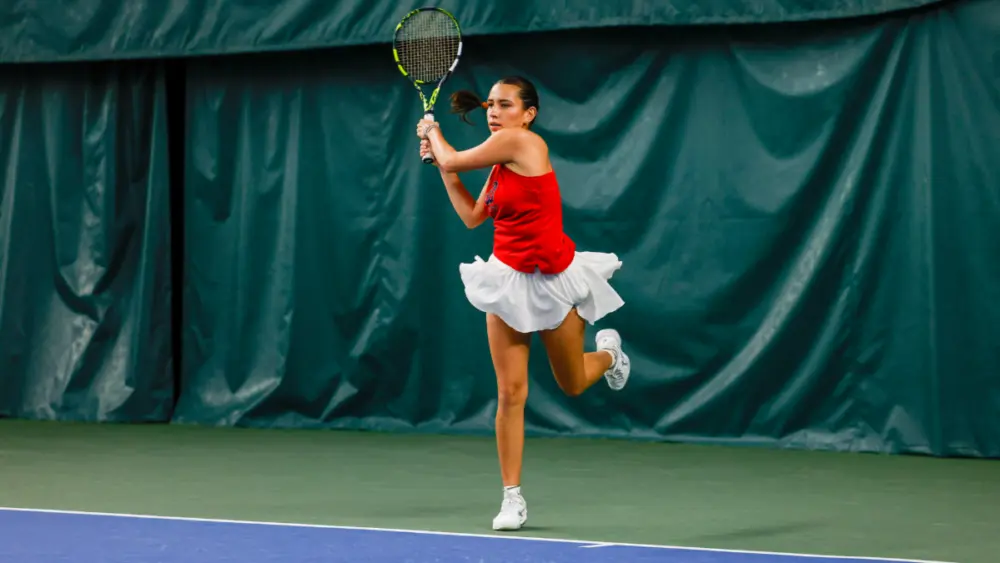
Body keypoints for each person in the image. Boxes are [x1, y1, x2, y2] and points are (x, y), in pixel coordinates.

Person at [415, 76, 631, 532]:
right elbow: (474, 217)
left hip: (553, 280)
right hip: (510, 279)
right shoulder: (498, 161)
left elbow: (453, 154)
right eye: (490, 104)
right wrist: (443, 167)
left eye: (505, 104)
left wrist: (433, 134)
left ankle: (610, 353)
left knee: (571, 383)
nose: (493, 112)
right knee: (511, 393)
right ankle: (512, 498)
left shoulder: (522, 143)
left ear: (528, 114)